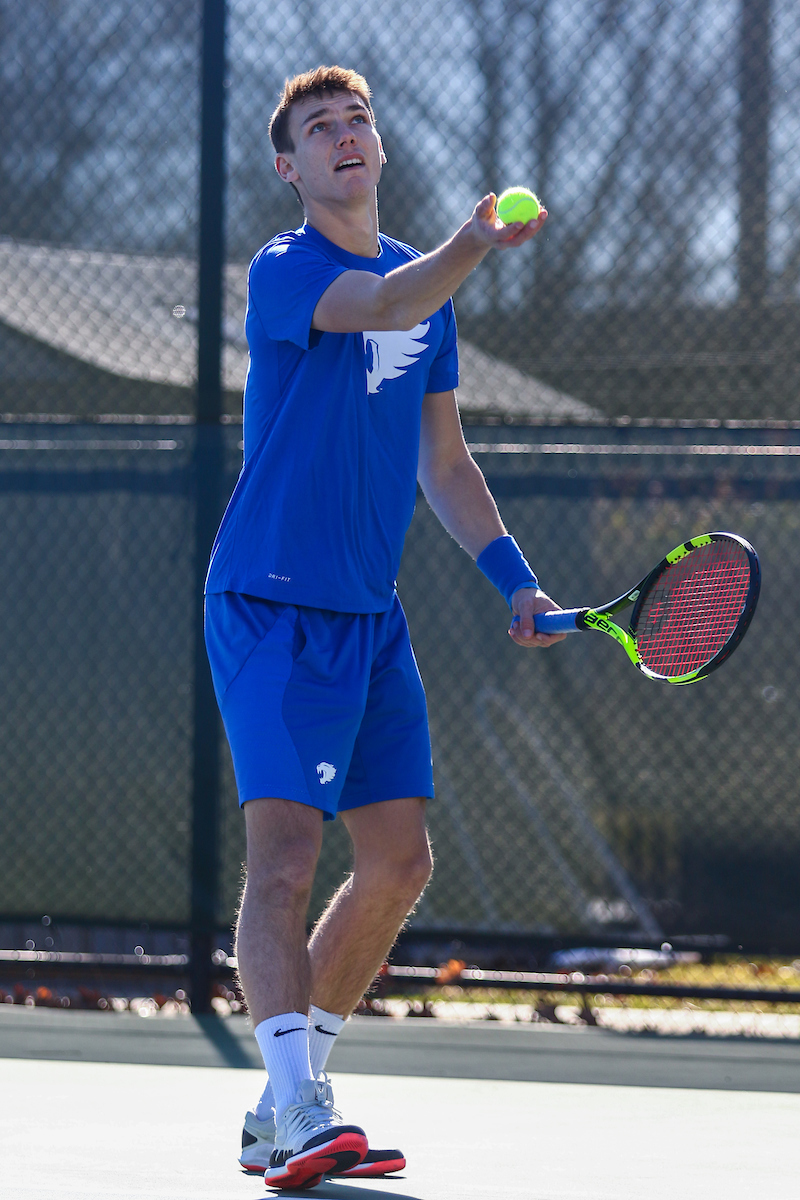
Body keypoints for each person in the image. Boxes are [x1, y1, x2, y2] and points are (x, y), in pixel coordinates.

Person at [204, 64, 565, 1190]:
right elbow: (385, 304)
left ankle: (286, 1105)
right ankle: (296, 1103)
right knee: (285, 860)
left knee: (399, 861)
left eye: (355, 118)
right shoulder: (288, 268)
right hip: (271, 606)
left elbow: (444, 463)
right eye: (319, 128)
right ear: (291, 168)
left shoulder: (428, 289)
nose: (343, 135)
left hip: (370, 618)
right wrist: (469, 243)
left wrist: (514, 579)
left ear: (376, 144)